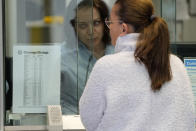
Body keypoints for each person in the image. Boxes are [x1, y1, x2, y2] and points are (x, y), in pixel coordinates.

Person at [79, 0, 195, 130]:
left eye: (110, 22)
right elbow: (189, 118)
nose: (109, 27)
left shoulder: (107, 66)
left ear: (123, 28)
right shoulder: (176, 64)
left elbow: (89, 119)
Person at [61, 0, 113, 114]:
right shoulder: (61, 58)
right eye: (83, 26)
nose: (90, 31)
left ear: (105, 23)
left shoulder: (118, 52)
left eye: (96, 23)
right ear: (73, 27)